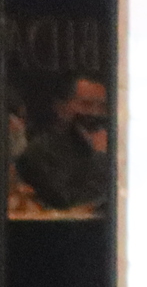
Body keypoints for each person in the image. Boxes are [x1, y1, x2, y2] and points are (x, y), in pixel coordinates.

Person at [13, 72, 111, 214]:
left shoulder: (117, 146)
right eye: (86, 104)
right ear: (61, 107)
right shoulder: (40, 152)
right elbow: (65, 201)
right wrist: (100, 157)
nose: (95, 113)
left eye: (102, 106)